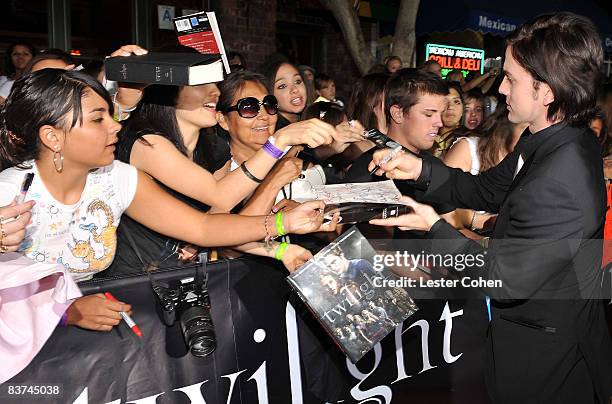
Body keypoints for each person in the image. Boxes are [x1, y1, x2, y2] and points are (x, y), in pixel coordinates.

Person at [369, 13, 612, 403]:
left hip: (545, 362)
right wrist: (418, 167)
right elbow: (484, 189)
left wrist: (434, 227)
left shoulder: (562, 175)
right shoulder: (550, 138)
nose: (500, 89)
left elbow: (505, 278)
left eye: (511, 79)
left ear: (546, 91)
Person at [0, 69, 336, 332]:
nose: (116, 128)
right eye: (99, 119)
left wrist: (284, 225)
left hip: (102, 331)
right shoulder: (10, 192)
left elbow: (202, 228)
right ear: (52, 136)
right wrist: (64, 311)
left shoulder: (117, 178)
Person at [111, 63, 334, 273]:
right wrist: (278, 142)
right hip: (139, 282)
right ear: (169, 92)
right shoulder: (146, 143)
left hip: (190, 281)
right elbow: (218, 198)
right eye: (201, 84)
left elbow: (216, 225)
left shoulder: (214, 150)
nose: (214, 92)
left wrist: (280, 250)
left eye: (214, 85)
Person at [263, 61, 307, 131]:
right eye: (282, 86)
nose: (294, 89)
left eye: (298, 81)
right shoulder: (269, 132)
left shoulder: (315, 116)